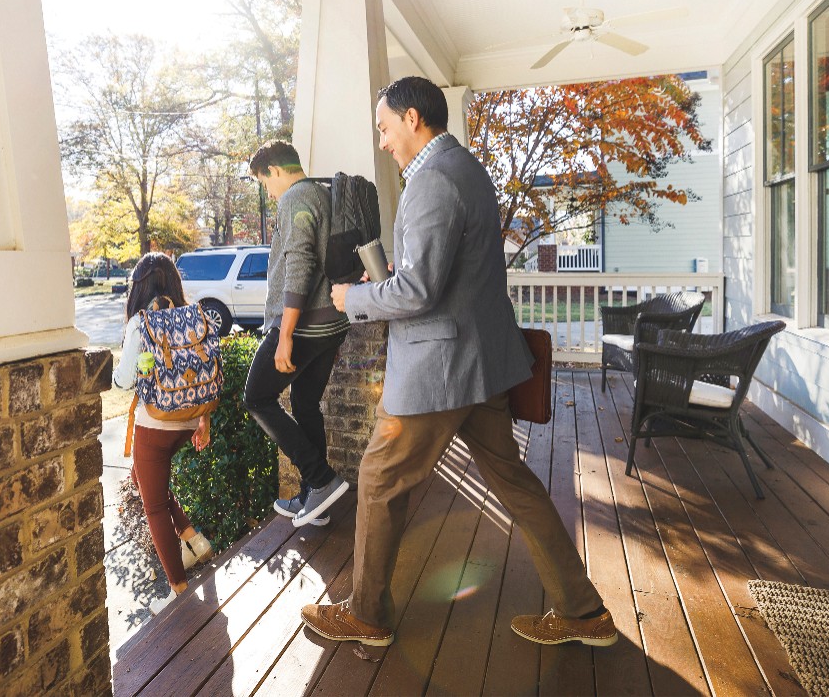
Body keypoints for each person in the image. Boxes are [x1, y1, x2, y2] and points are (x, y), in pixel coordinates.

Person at [302, 76, 617, 649]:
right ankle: (584, 611)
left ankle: (367, 616)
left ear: (413, 118)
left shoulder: (431, 182)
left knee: (376, 478)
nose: (382, 140)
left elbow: (419, 291)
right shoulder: (467, 170)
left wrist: (357, 300)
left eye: (385, 127)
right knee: (516, 483)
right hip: (482, 366)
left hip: (438, 371)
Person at [244, 140, 350, 528]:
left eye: (263, 182)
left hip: (305, 326)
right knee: (305, 405)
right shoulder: (325, 194)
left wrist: (285, 332)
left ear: (274, 170)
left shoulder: (296, 197)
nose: (268, 193)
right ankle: (314, 499)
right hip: (332, 325)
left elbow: (300, 263)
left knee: (256, 397)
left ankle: (321, 480)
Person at [115, 252, 214, 615]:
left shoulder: (140, 323)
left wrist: (113, 376)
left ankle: (178, 590)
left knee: (153, 505)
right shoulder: (191, 314)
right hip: (187, 419)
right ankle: (193, 539)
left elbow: (125, 379)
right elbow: (204, 369)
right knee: (142, 479)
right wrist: (203, 420)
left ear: (138, 288)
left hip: (155, 424)